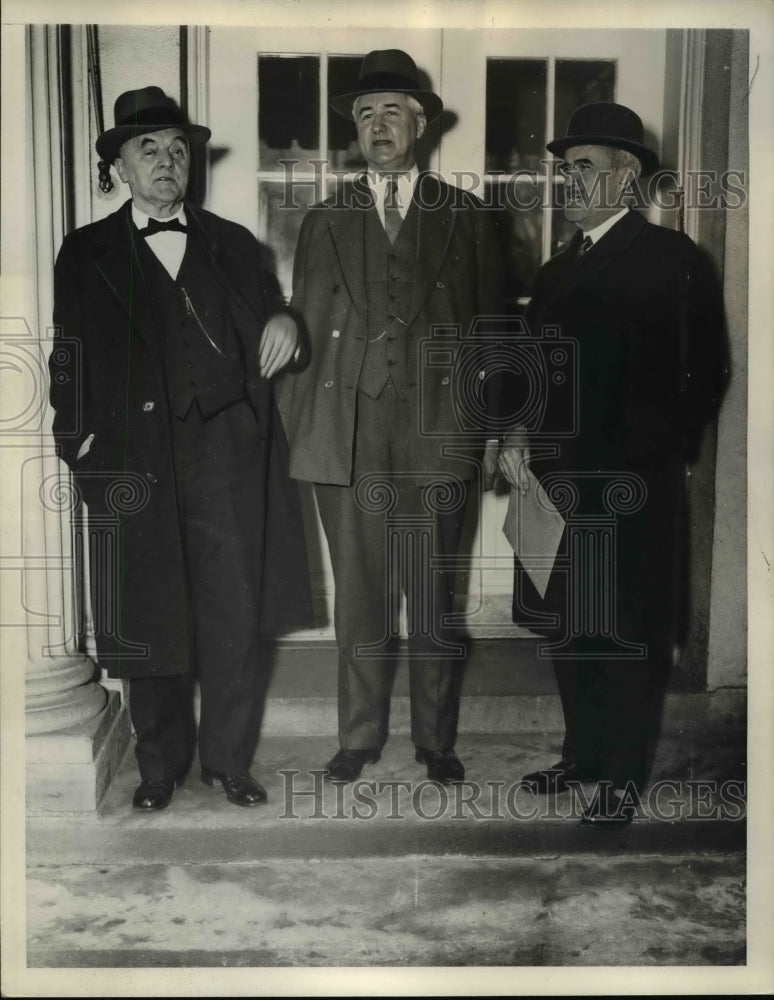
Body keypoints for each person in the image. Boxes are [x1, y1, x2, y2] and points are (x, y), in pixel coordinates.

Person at [50, 86, 312, 811]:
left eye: (177, 149)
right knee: (148, 610)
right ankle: (158, 764)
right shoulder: (86, 251)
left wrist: (287, 319)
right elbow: (67, 356)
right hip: (135, 459)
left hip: (227, 454)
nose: (167, 162)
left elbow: (271, 312)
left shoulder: (233, 242)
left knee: (233, 611)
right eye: (149, 150)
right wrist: (81, 447)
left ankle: (228, 761)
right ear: (120, 168)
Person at [276, 49, 502, 785]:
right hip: (350, 432)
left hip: (442, 430)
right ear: (355, 127)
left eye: (394, 112)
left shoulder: (465, 216)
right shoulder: (323, 219)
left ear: (421, 124)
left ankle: (436, 739)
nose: (379, 125)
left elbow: (494, 331)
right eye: (367, 113)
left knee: (434, 596)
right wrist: (303, 431)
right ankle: (360, 736)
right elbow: (301, 329)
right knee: (361, 595)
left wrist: (499, 432)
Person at [497, 102, 726, 826]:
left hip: (629, 485)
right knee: (571, 627)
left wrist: (646, 457)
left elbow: (704, 374)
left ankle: (621, 778)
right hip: (556, 482)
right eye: (564, 169)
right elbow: (531, 370)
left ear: (627, 178)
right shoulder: (556, 269)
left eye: (584, 167)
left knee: (625, 631)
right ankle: (583, 756)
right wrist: (515, 435)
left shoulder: (671, 259)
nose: (568, 180)